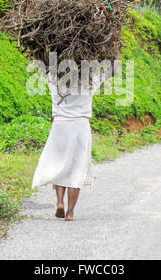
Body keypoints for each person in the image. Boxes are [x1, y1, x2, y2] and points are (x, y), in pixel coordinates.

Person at [32, 55, 120, 221]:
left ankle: (59, 202)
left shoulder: (54, 78)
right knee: (76, 169)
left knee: (59, 164)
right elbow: (112, 72)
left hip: (60, 126)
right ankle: (70, 213)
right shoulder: (90, 79)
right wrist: (117, 54)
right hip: (80, 127)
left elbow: (40, 65)